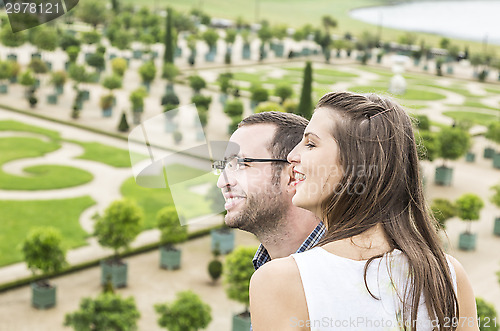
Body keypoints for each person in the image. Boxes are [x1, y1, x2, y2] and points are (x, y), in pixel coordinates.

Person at [249, 92, 478, 331]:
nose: (291, 156)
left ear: (355, 165)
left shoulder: (281, 282)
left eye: (311, 144)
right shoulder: (446, 273)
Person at [215, 111, 325, 270]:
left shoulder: (345, 275)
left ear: (293, 176)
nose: (221, 182)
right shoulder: (268, 269)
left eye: (240, 164)